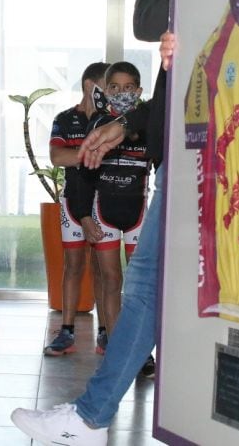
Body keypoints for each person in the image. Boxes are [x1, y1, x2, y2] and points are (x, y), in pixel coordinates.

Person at [11, 0, 232, 445]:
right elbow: (149, 29)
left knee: (203, 294)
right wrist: (125, 123)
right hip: (185, 162)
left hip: (232, 164)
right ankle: (90, 416)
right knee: (145, 287)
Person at [78, 62, 149, 345]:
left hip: (138, 214)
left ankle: (141, 350)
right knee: (111, 281)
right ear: (106, 91)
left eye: (129, 87)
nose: (122, 93)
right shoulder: (97, 124)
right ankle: (114, 342)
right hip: (103, 212)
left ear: (139, 91)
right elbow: (84, 174)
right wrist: (84, 216)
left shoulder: (146, 125)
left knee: (138, 286)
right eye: (115, 88)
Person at [43, 62, 108, 357]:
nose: (112, 94)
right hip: (73, 200)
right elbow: (57, 156)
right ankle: (66, 331)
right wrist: (93, 154)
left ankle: (106, 333)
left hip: (107, 202)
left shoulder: (114, 120)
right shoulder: (65, 119)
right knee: (73, 265)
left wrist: (80, 155)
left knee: (104, 269)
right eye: (107, 87)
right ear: (88, 87)